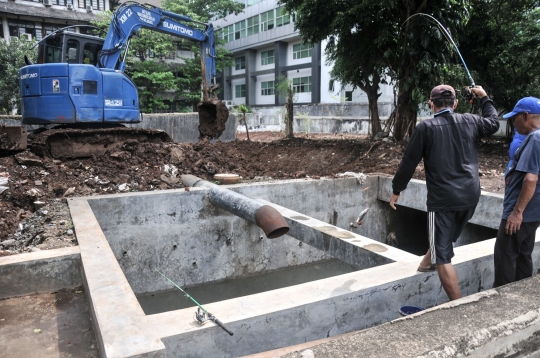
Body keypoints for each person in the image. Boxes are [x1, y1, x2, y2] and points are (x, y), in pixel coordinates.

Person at [389, 84, 499, 301]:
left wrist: (396, 190)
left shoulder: (426, 128)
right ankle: (424, 263)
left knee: (443, 258)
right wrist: (484, 97)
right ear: (455, 104)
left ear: (431, 104)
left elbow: (408, 164)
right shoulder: (471, 120)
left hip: (443, 200)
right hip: (470, 197)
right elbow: (494, 123)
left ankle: (458, 305)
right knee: (442, 239)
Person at [494, 97, 540, 288]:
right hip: (533, 213)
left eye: (515, 118)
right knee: (523, 256)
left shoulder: (535, 138)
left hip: (522, 213)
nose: (513, 123)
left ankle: (500, 303)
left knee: (505, 256)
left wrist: (516, 213)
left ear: (525, 116)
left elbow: (530, 179)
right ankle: (520, 297)